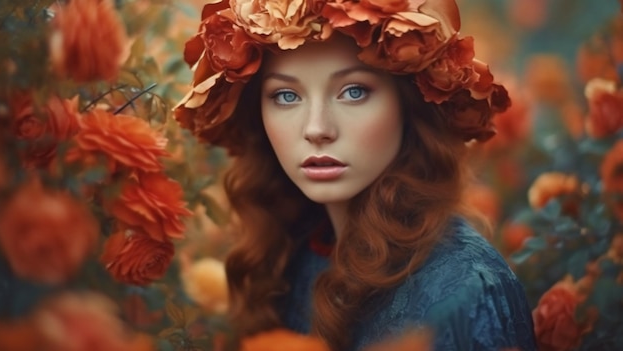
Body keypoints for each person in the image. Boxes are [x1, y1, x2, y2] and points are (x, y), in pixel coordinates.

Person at [174, 0, 537, 350]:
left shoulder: (465, 287)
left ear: (409, 104)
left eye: (353, 91)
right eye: (286, 96)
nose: (317, 129)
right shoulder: (287, 256)